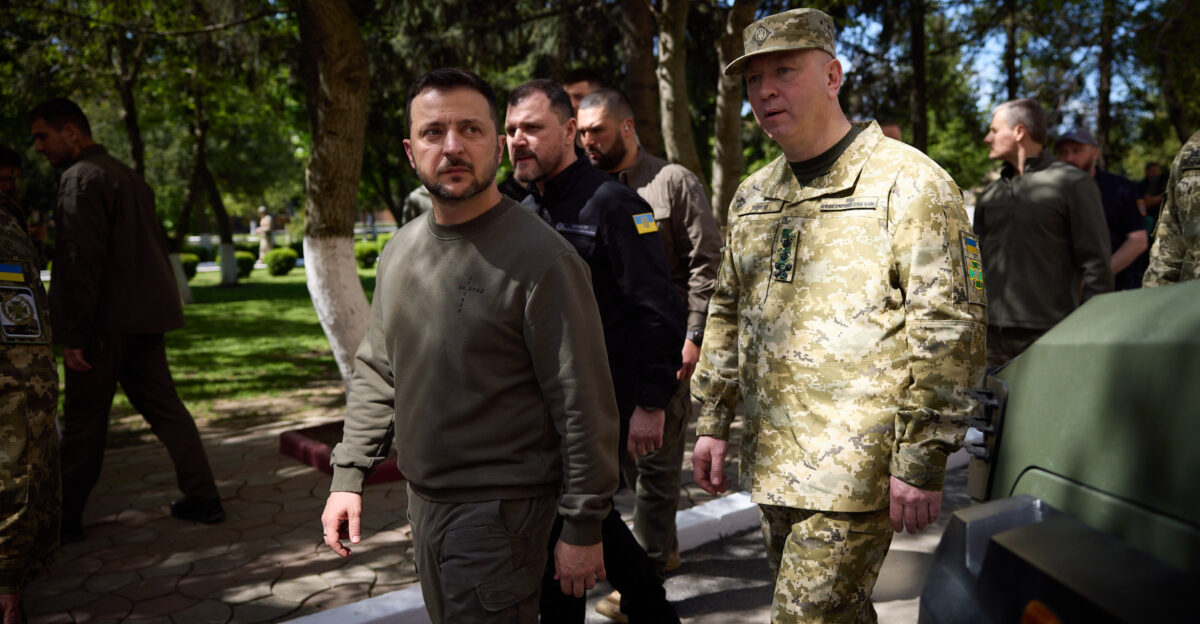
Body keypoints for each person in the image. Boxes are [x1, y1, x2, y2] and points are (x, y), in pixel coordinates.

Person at [690, 9, 987, 622]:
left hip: (856, 472)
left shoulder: (910, 182)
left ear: (832, 76)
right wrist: (714, 418)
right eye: (753, 79)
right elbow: (727, 309)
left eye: (785, 71)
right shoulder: (753, 194)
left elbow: (949, 329)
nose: (765, 90)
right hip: (774, 461)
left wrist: (922, 457)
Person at [320, 68, 617, 624]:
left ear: (498, 147)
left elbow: (584, 406)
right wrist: (348, 476)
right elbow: (378, 372)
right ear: (411, 151)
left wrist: (582, 524)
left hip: (501, 515)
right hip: (424, 503)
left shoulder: (543, 260)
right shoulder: (399, 251)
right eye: (433, 132)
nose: (452, 146)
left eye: (471, 130)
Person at [506, 79, 683, 624]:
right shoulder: (516, 206)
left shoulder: (615, 204)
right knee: (587, 527)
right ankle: (656, 614)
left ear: (566, 132)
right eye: (510, 130)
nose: (518, 141)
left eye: (532, 128)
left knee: (571, 533)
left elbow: (659, 308)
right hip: (536, 413)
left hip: (596, 409)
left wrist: (650, 403)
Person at [29, 98, 223, 543]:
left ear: (72, 132)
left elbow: (80, 262)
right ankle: (205, 497)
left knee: (82, 425)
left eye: (43, 136)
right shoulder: (126, 176)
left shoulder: (80, 180)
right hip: (143, 320)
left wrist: (74, 335)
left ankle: (62, 521)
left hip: (102, 327)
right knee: (168, 412)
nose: (39, 147)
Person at [576, 87, 721, 620]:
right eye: (582, 133)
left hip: (665, 347)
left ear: (628, 128)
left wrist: (694, 336)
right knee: (631, 465)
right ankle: (664, 543)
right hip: (610, 356)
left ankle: (649, 573)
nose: (588, 141)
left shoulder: (672, 182)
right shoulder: (587, 188)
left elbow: (707, 262)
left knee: (657, 466)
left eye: (597, 131)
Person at [975, 99, 1112, 367]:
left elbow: (1097, 265)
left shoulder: (1073, 184)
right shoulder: (991, 194)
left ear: (1019, 132)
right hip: (989, 338)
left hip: (1050, 334)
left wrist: (1092, 331)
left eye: (994, 130)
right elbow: (973, 264)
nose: (986, 138)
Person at [0, 143, 60, 624]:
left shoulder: (10, 217)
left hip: (27, 383)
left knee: (27, 475)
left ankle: (15, 583)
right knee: (14, 479)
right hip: (12, 386)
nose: (10, 186)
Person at [1055, 127, 1148, 290]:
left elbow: (1138, 241)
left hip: (1115, 290)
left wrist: (1094, 278)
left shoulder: (1121, 189)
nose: (1069, 158)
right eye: (1063, 152)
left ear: (1095, 154)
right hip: (1063, 293)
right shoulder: (1051, 192)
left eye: (1077, 151)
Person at [1143, 130, 1200, 286]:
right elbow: (1168, 252)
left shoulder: (1192, 149)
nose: (1154, 172)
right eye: (1151, 170)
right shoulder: (1192, 151)